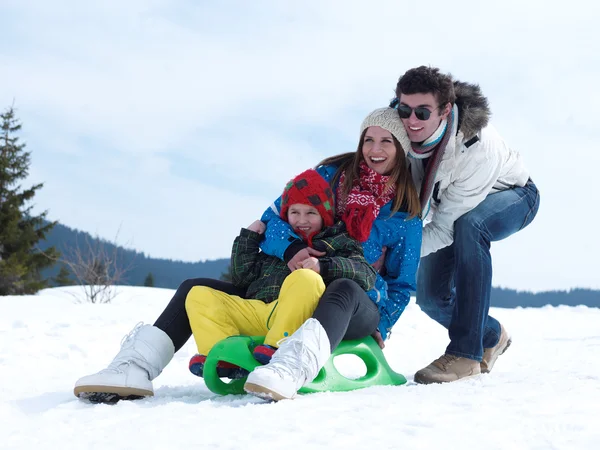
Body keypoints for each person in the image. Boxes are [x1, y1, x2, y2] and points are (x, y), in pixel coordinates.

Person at [243, 107, 422, 401]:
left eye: (386, 142)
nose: (374, 150)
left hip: (358, 304)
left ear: (401, 149)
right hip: (301, 289)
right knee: (198, 288)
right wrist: (292, 247)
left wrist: (383, 324)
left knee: (345, 287)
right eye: (368, 140)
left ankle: (291, 368)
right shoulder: (329, 177)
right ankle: (144, 362)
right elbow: (271, 219)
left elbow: (402, 284)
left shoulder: (405, 217)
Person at [390, 66, 540, 384]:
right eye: (404, 109)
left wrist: (392, 257)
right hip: (451, 212)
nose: (411, 120)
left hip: (513, 196)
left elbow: (445, 228)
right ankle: (491, 336)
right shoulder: (394, 133)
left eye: (422, 111)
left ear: (445, 110)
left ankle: (466, 354)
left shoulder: (479, 148)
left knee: (471, 226)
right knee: (431, 297)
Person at [183, 168, 377, 379]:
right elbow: (242, 279)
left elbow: (366, 275)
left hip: (300, 318)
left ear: (325, 216)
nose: (302, 220)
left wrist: (324, 266)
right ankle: (223, 355)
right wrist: (248, 239)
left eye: (311, 213)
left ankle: (280, 349)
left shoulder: (340, 241)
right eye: (295, 212)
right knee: (198, 295)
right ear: (286, 214)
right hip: (259, 312)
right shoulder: (277, 245)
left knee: (306, 278)